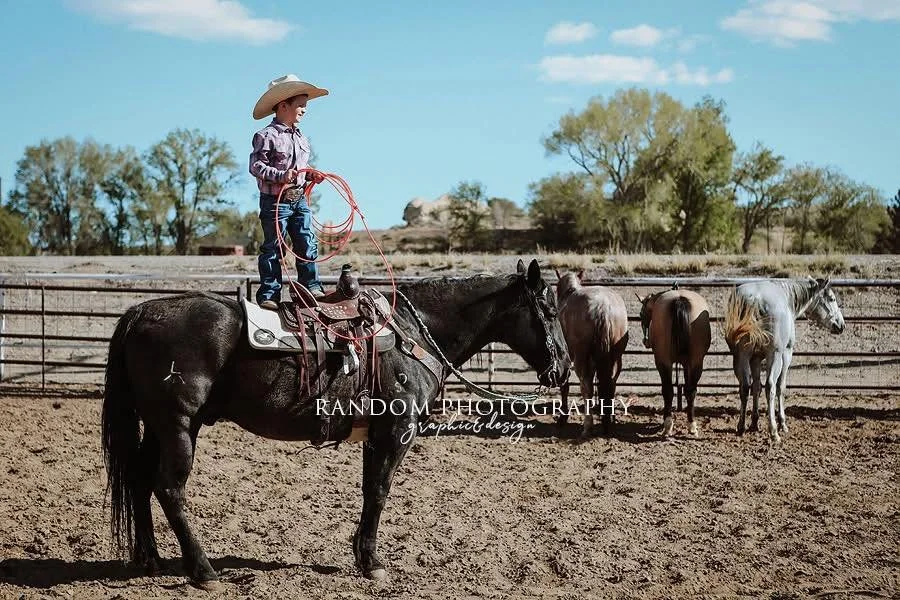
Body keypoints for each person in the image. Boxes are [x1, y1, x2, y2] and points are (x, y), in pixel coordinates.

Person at [250, 74, 328, 310]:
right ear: (283, 106)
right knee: (274, 247)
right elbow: (256, 166)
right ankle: (270, 294)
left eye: (305, 105)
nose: (304, 110)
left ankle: (310, 287)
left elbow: (301, 168)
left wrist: (311, 174)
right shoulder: (265, 136)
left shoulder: (301, 138)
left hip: (299, 198)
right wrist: (280, 176)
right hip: (275, 201)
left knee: (307, 242)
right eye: (301, 105)